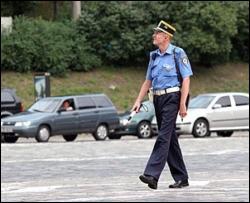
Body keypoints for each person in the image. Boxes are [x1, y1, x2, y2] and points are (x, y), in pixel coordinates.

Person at [132, 20, 193, 189]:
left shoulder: (178, 53)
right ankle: (182, 177)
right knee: (170, 137)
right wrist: (138, 101)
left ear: (165, 37)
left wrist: (183, 104)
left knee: (164, 135)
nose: (154, 35)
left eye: (157, 33)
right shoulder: (154, 56)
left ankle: (152, 175)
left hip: (173, 97)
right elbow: (148, 81)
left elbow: (186, 79)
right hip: (157, 99)